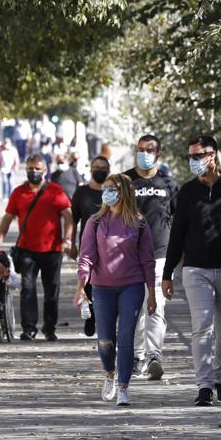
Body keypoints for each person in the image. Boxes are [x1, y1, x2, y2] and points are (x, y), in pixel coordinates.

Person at [162, 136, 221, 406]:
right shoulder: (187, 192)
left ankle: (220, 379)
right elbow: (177, 235)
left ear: (212, 155)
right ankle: (204, 387)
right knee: (201, 328)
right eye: (190, 157)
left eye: (198, 156)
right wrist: (167, 274)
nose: (193, 161)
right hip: (196, 270)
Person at [75, 173, 157, 407]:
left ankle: (123, 388)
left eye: (112, 188)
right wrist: (81, 287)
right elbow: (86, 256)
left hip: (132, 286)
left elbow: (147, 260)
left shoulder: (139, 223)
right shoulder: (95, 222)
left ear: (124, 193)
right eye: (106, 188)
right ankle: (110, 373)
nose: (107, 192)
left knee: (126, 337)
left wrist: (151, 293)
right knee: (105, 341)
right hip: (102, 288)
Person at [0, 153, 75, 340]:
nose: (34, 172)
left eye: (37, 169)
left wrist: (67, 239)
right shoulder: (18, 193)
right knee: (27, 289)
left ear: (45, 170)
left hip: (52, 250)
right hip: (27, 250)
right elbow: (7, 217)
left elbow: (68, 217)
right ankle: (29, 328)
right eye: (30, 169)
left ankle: (49, 328)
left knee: (51, 291)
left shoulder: (56, 192)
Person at [126, 135, 180, 380]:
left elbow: (180, 220)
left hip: (160, 255)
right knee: (135, 309)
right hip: (129, 256)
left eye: (149, 150)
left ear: (159, 153)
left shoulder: (169, 184)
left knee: (156, 306)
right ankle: (137, 356)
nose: (144, 154)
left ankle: (154, 356)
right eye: (140, 149)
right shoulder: (125, 182)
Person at [70, 155, 111, 336]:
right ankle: (91, 317)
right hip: (88, 245)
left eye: (103, 168)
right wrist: (71, 243)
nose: (99, 170)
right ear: (90, 169)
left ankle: (105, 316)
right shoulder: (81, 192)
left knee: (106, 281)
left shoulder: (112, 193)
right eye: (96, 167)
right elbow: (73, 220)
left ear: (108, 171)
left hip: (110, 246)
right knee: (88, 281)